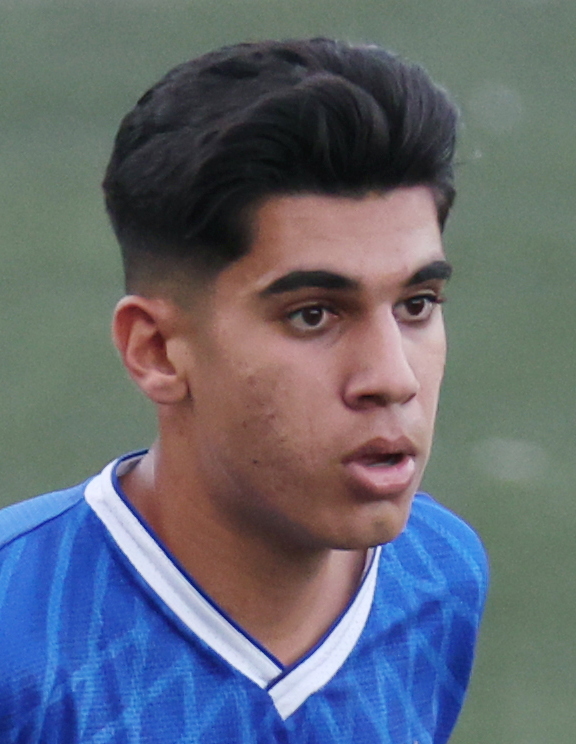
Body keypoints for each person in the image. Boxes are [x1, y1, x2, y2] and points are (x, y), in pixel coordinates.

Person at [0, 38, 488, 743]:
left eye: (417, 304)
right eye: (313, 315)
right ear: (157, 351)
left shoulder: (441, 573)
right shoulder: (16, 632)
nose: (393, 378)